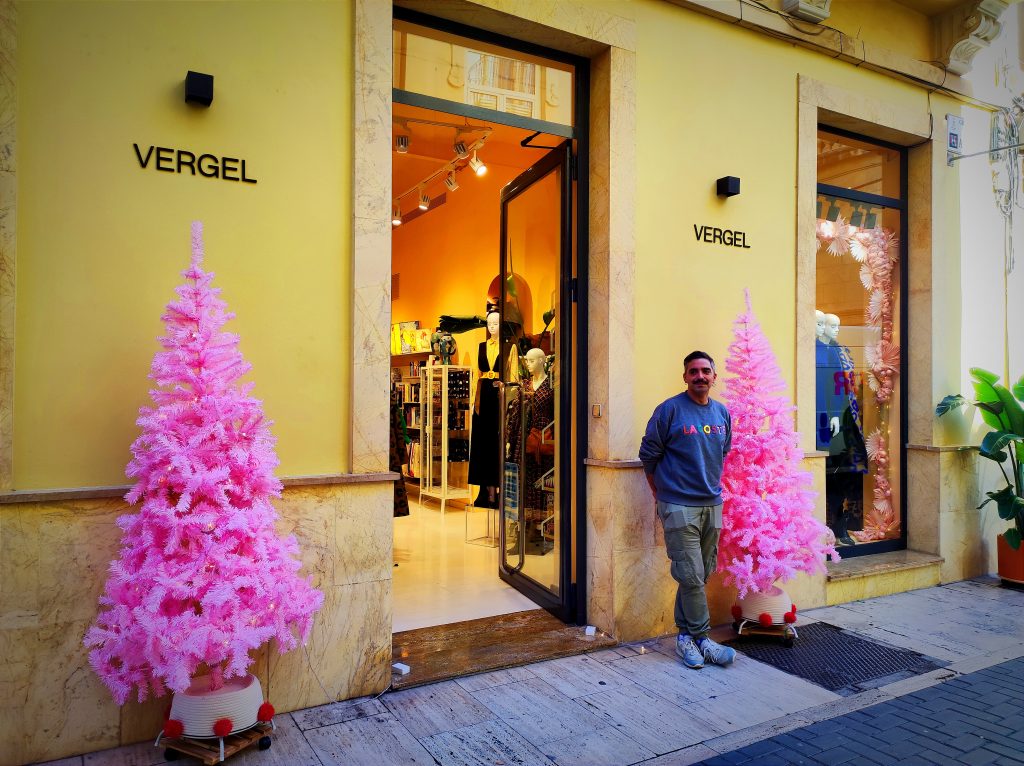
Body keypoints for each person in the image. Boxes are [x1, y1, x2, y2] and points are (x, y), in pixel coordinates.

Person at [639, 351, 735, 669]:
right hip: (679, 504)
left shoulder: (722, 413)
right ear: (685, 377)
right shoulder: (669, 410)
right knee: (692, 575)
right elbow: (648, 454)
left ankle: (684, 638)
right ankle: (703, 639)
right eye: (693, 371)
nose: (700, 376)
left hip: (712, 502)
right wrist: (660, 492)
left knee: (700, 573)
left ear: (714, 376)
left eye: (705, 371)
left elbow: (722, 452)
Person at [468, 311, 502, 508]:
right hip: (483, 396)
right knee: (481, 443)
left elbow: (512, 372)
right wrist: (474, 401)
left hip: (498, 395)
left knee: (495, 442)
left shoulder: (508, 347)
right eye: (489, 323)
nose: (492, 326)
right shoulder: (481, 347)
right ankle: (483, 492)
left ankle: (496, 492)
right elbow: (476, 374)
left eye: (496, 323)